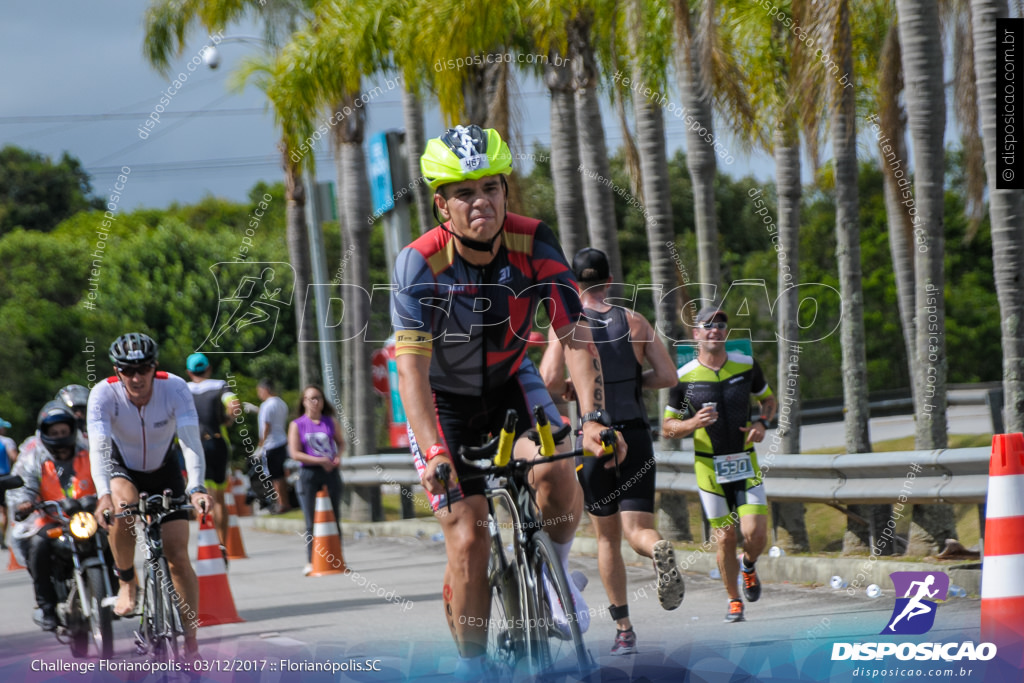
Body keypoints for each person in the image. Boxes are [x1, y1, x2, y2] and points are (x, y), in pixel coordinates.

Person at [391, 124, 624, 678]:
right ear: (441, 204)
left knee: (558, 467)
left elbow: (574, 337)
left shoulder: (535, 240)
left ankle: (555, 572)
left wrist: (592, 417)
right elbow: (411, 376)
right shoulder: (418, 264)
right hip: (442, 404)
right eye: (465, 192)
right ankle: (474, 667)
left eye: (491, 188)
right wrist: (434, 453)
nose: (482, 202)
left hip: (509, 385)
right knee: (468, 539)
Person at [539, 247, 683, 655]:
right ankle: (656, 550)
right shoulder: (634, 321)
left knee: (607, 539)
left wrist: (572, 388)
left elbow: (549, 379)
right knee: (637, 528)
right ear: (608, 279)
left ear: (575, 282)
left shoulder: (567, 324)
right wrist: (633, 382)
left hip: (594, 437)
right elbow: (669, 375)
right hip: (635, 434)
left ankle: (624, 629)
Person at [88, 332, 213, 659]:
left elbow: (189, 441)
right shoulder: (103, 394)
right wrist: (102, 495)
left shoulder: (174, 388)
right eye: (127, 370)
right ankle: (127, 580)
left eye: (142, 368)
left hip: (164, 468)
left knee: (178, 558)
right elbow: (99, 449)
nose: (135, 377)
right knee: (124, 505)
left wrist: (197, 487)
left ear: (154, 366)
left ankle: (191, 643)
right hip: (123, 467)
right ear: (117, 370)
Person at [661, 305, 777, 623]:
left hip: (745, 463)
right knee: (725, 536)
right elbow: (667, 427)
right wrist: (693, 423)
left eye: (721, 325)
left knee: (756, 535)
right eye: (708, 325)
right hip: (709, 468)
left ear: (726, 333)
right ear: (696, 334)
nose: (715, 329)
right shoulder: (683, 378)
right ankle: (733, 599)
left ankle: (749, 565)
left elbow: (768, 400)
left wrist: (763, 423)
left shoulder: (745, 366)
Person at [7, 402, 103, 631]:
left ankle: (120, 588)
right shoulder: (34, 457)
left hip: (89, 518)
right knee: (38, 546)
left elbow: (107, 477)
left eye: (63, 431)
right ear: (45, 434)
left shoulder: (90, 451)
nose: (60, 436)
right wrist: (25, 503)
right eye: (54, 433)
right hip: (53, 521)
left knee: (114, 537)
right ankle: (47, 607)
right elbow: (25, 485)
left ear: (72, 430)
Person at [185, 352, 241, 553]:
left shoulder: (184, 389)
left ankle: (206, 545)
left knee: (201, 495)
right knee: (218, 498)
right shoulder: (220, 385)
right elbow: (234, 406)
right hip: (217, 443)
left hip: (195, 446)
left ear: (189, 372)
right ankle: (222, 544)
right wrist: (227, 419)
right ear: (208, 369)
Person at [286, 385, 343, 576]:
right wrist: (320, 461)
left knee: (334, 516)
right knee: (311, 520)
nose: (315, 402)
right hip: (309, 473)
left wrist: (337, 457)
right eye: (310, 398)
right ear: (303, 402)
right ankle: (312, 560)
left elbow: (341, 442)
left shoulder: (330, 422)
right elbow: (295, 453)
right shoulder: (297, 424)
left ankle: (337, 557)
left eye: (318, 397)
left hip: (330, 473)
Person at [257, 379, 291, 512]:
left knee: (274, 477)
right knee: (281, 475)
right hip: (282, 441)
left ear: (265, 390)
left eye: (260, 391)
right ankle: (285, 502)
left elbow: (266, 425)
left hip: (271, 444)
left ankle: (280, 503)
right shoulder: (281, 403)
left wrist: (261, 444)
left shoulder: (266, 405)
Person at [0, 417, 16, 550]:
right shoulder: (7, 441)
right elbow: (14, 457)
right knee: (4, 511)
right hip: (4, 477)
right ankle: (3, 539)